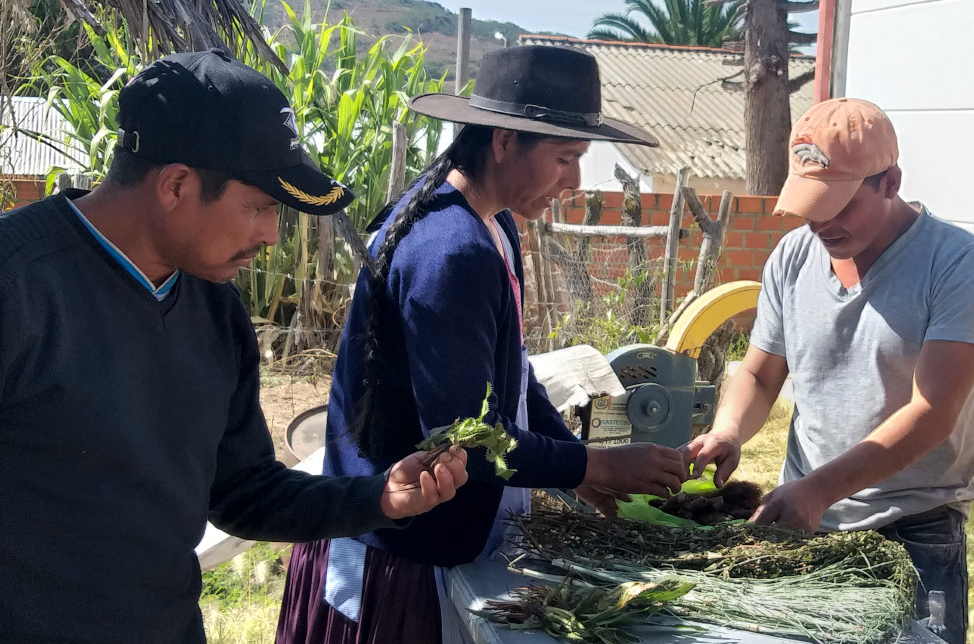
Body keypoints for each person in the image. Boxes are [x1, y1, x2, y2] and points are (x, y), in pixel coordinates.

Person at [0, 50, 471, 644]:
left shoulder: (214, 310)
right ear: (175, 185)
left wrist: (377, 497)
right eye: (258, 207)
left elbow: (242, 490)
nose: (271, 235)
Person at [275, 45, 690, 644]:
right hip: (401, 559)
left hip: (427, 538)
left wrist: (570, 464)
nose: (575, 181)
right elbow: (468, 435)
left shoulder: (490, 224)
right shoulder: (451, 249)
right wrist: (593, 462)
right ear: (502, 140)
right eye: (565, 158)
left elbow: (512, 379)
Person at [682, 98, 974, 644]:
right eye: (811, 206)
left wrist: (817, 491)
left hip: (914, 528)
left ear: (890, 181)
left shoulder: (962, 264)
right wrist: (727, 431)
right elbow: (761, 375)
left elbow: (932, 414)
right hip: (800, 518)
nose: (821, 224)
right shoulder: (792, 256)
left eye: (838, 205)